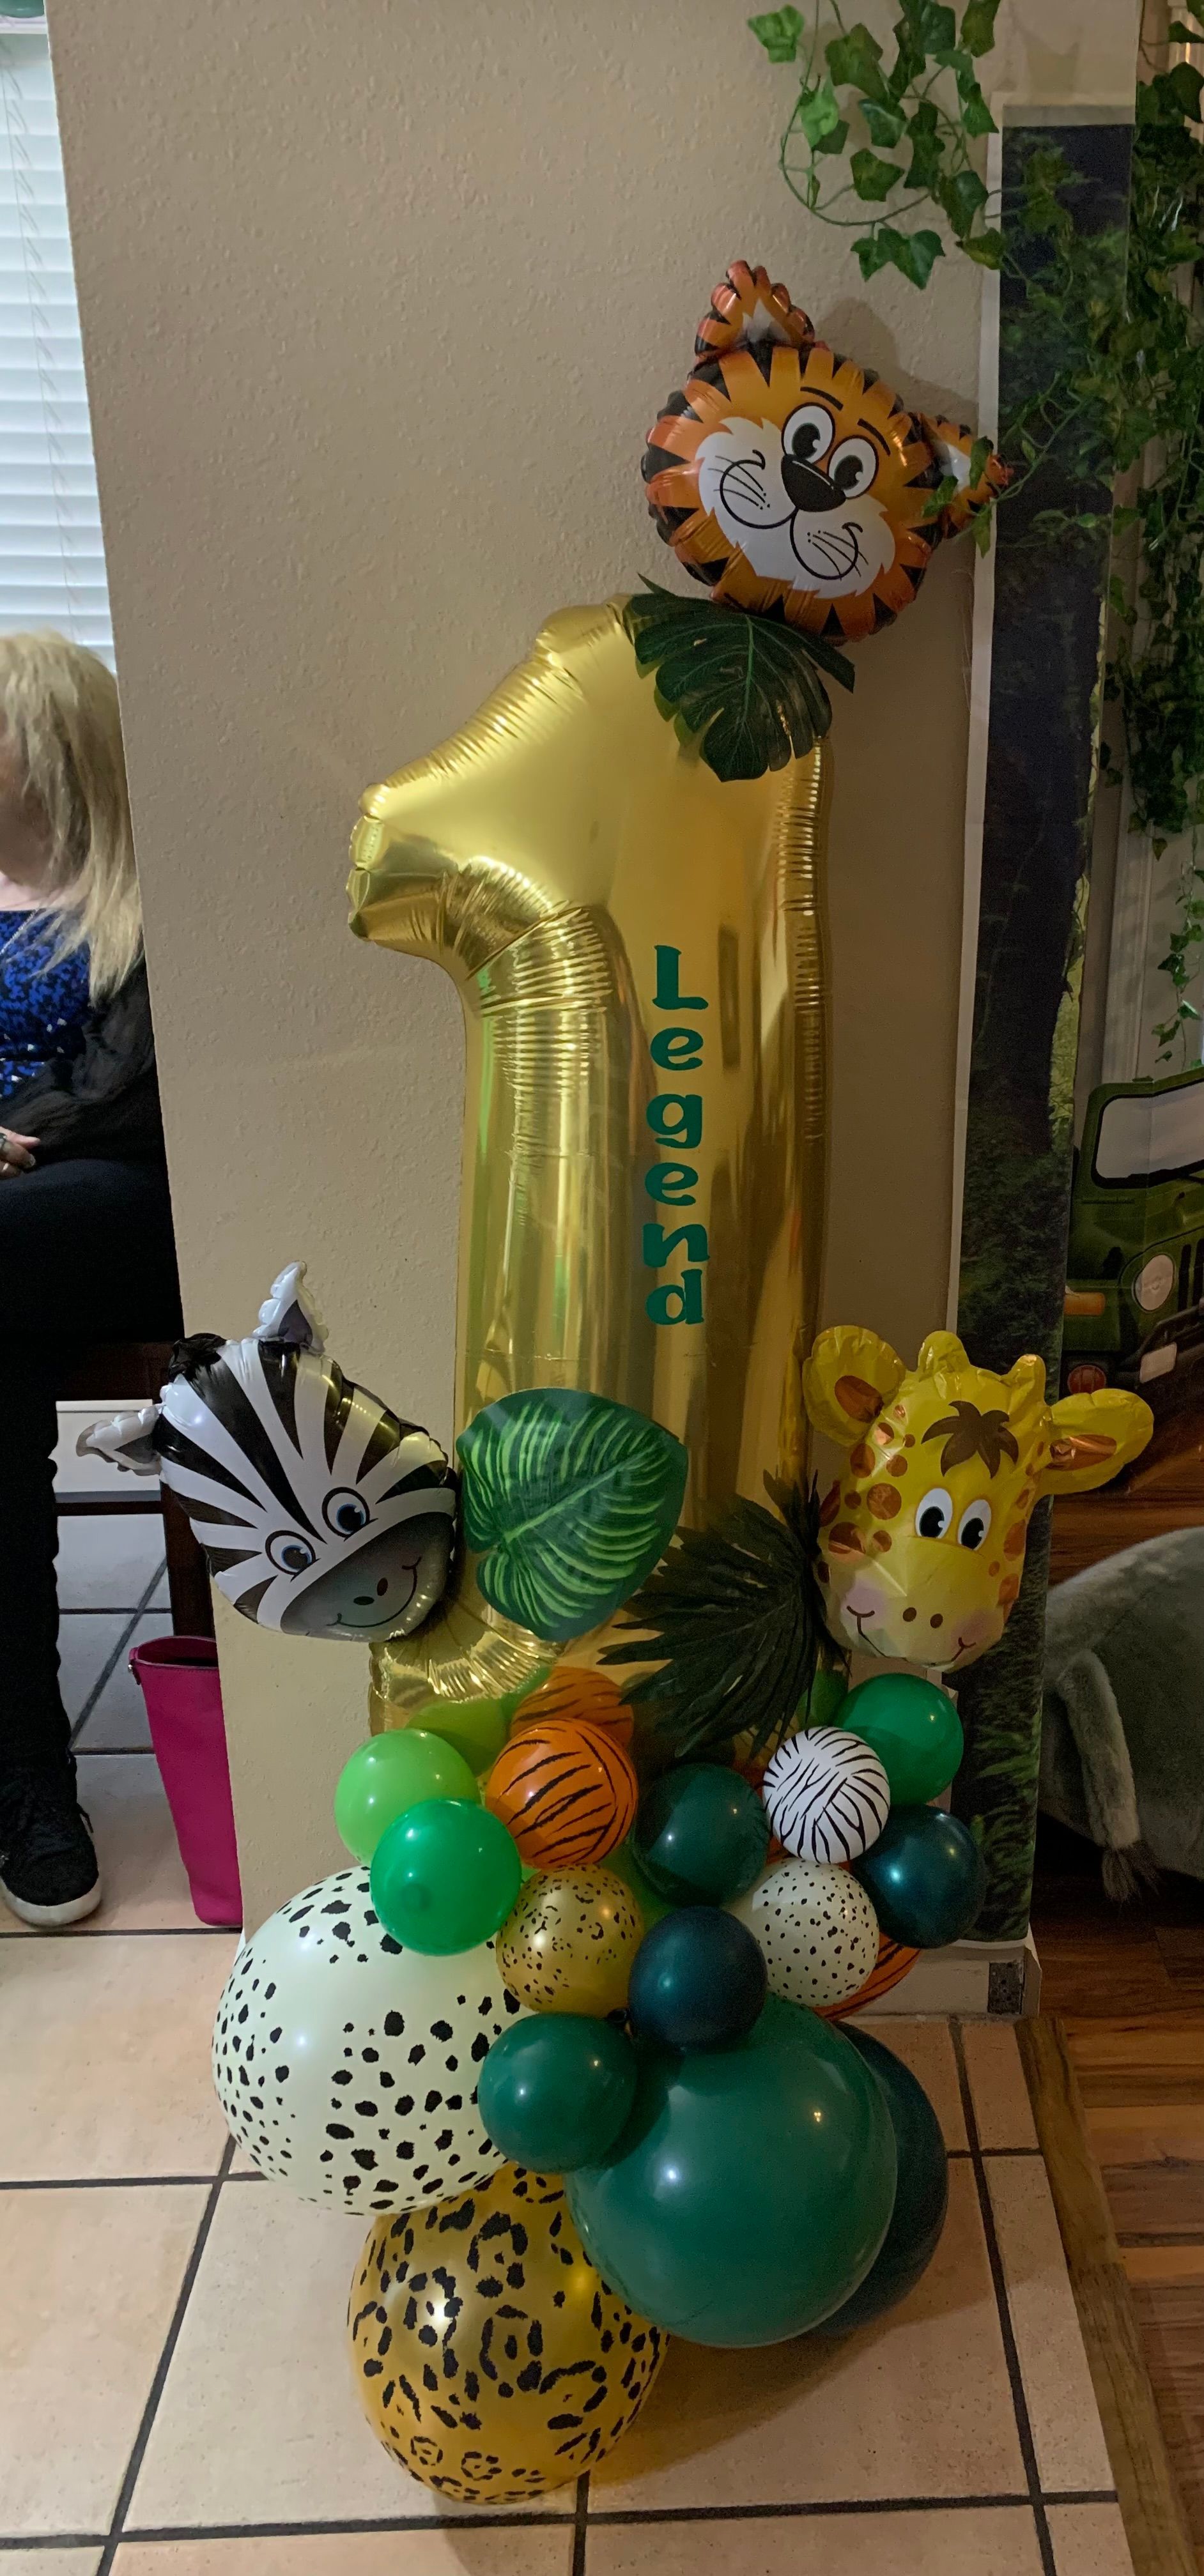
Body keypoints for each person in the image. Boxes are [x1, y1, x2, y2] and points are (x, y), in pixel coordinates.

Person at [0, 631, 180, 1925]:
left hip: (107, 1216)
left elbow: (132, 1102)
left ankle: (25, 1785)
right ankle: (28, 1781)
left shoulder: (146, 896)